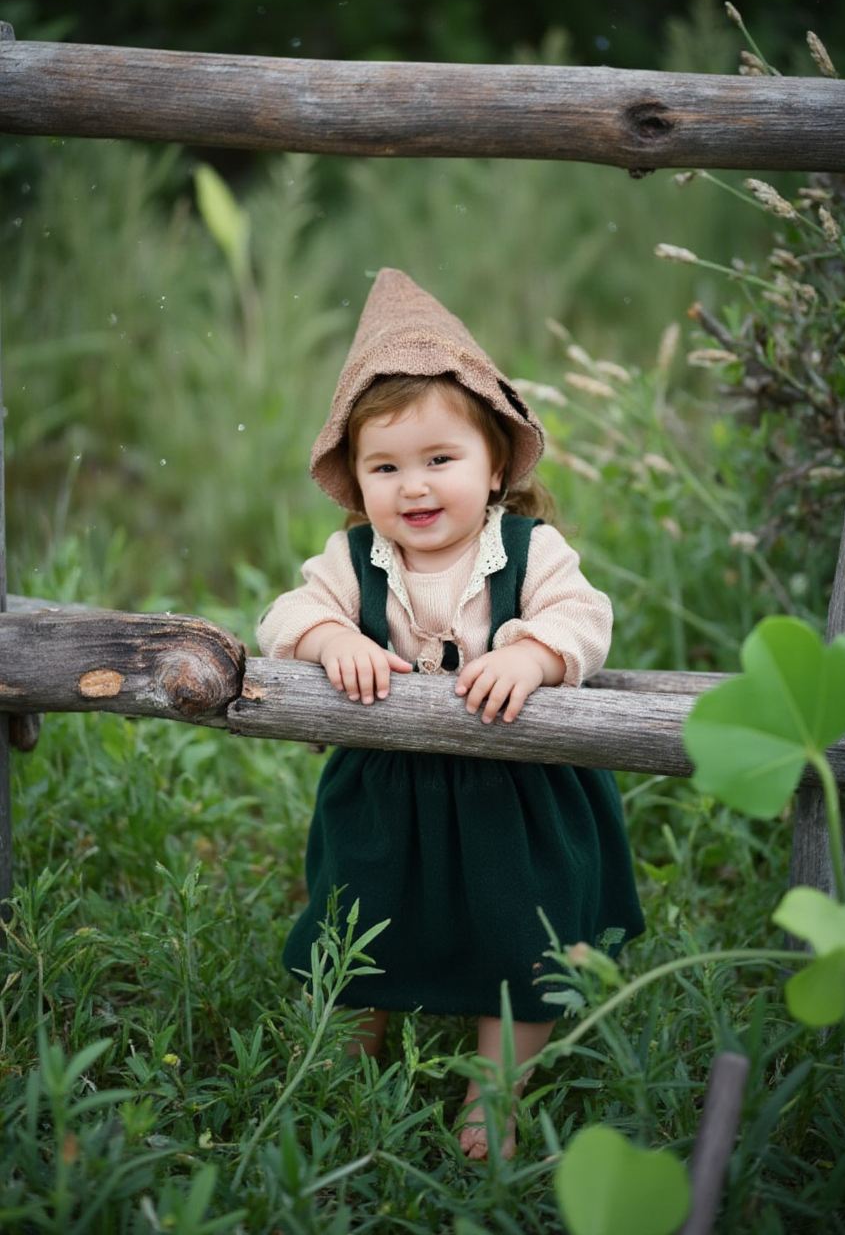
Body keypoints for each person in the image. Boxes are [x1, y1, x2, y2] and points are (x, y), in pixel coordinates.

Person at [257, 268, 644, 1160]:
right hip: (388, 790)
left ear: (495, 463)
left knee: (525, 941)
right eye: (385, 466)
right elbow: (282, 616)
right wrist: (330, 638)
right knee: (357, 923)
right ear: (356, 481)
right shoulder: (353, 560)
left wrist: (531, 655)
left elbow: (585, 618)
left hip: (518, 790)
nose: (415, 487)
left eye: (441, 459)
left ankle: (492, 1097)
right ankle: (347, 1066)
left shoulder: (530, 550)